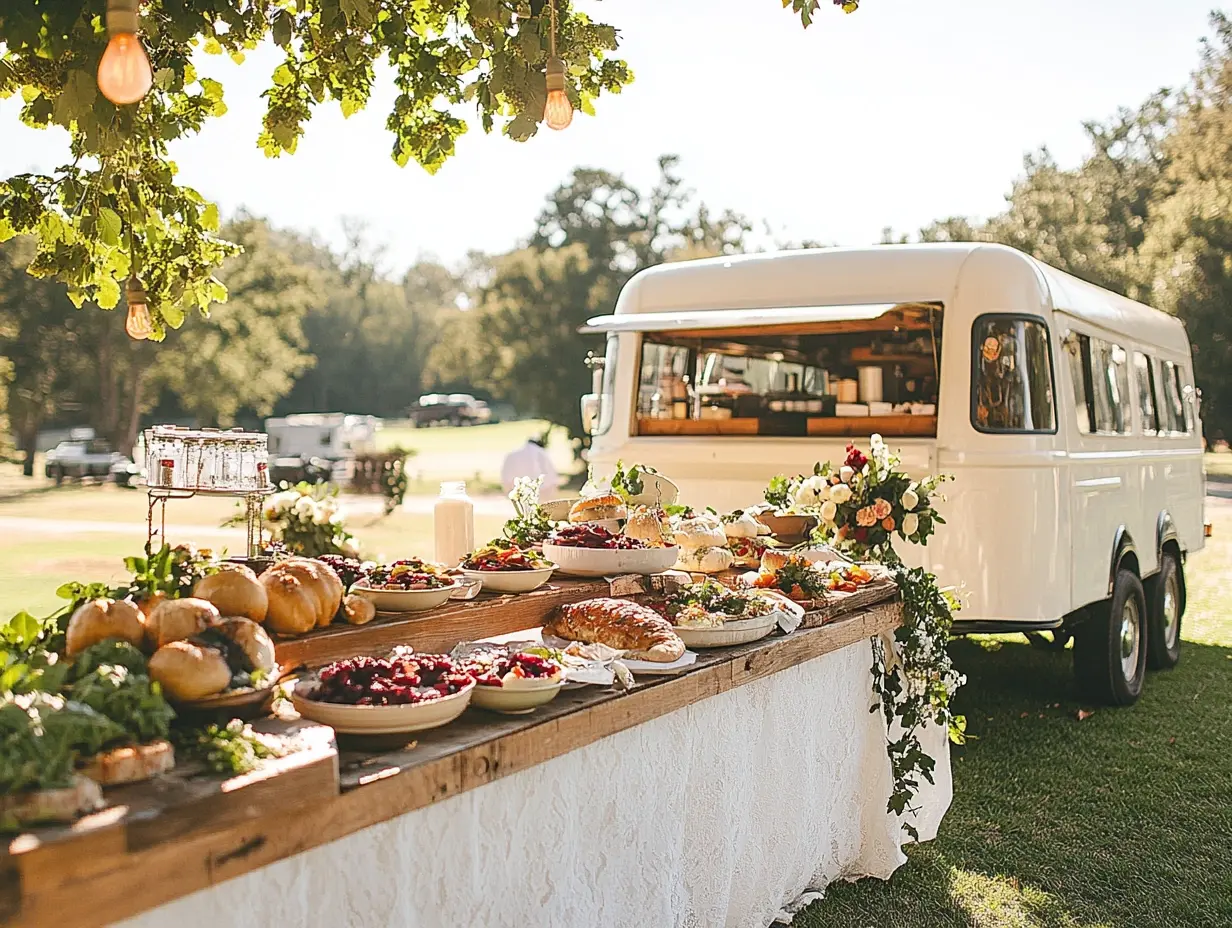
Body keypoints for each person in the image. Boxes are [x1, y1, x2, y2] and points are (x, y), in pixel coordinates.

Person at [500, 431, 560, 500]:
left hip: (519, 493)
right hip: (539, 494)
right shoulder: (542, 454)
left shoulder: (512, 455)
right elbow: (551, 478)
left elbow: (506, 477)